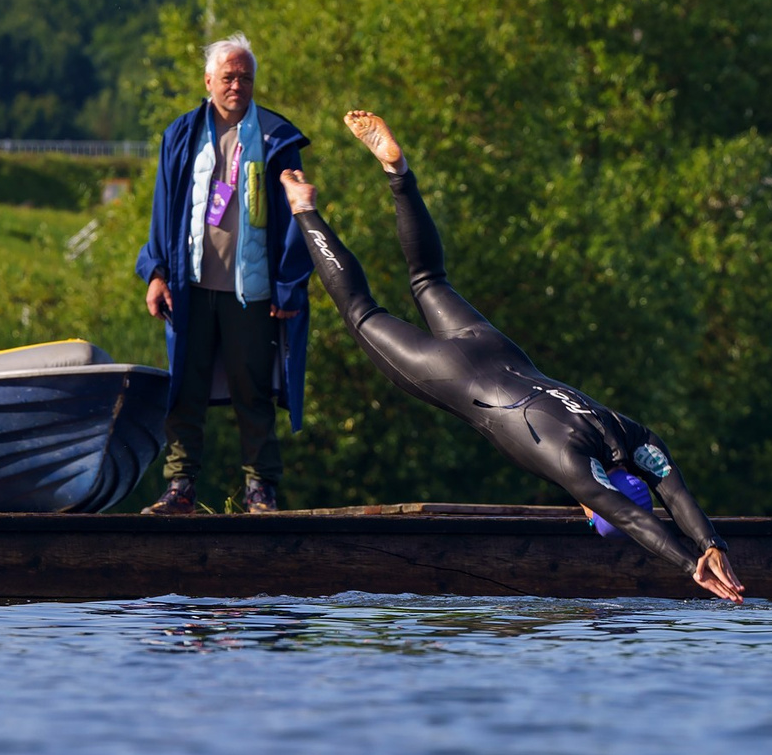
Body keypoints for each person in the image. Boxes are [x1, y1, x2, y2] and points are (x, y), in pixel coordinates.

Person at [281, 111, 745, 601]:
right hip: (452, 375)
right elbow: (630, 516)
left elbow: (672, 490)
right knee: (360, 312)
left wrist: (710, 542)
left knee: (429, 279)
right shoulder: (571, 465)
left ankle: (398, 174)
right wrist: (690, 563)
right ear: (596, 503)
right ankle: (304, 208)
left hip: (495, 348)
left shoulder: (630, 432)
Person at [134, 34, 312, 514]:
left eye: (245, 77)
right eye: (228, 76)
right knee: (184, 392)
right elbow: (161, 212)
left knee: (252, 392)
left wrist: (290, 285)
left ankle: (260, 490)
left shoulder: (277, 139)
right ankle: (180, 488)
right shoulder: (182, 135)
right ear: (208, 80)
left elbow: (300, 216)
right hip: (191, 290)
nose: (237, 84)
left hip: (250, 293)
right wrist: (155, 273)